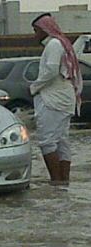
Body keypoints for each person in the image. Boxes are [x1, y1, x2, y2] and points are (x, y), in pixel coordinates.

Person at [30, 13, 83, 186]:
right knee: (61, 141)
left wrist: (34, 87)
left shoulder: (53, 44)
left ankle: (56, 182)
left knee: (47, 141)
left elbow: (51, 70)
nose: (35, 35)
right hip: (64, 97)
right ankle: (63, 185)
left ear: (44, 30)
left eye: (36, 31)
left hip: (54, 98)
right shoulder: (61, 43)